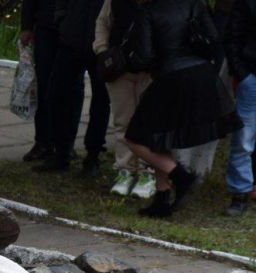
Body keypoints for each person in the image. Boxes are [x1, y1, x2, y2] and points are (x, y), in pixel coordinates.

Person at [123, 0, 240, 218]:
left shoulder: (147, 10)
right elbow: (214, 39)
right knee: (159, 135)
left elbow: (144, 56)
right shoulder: (193, 4)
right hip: (202, 74)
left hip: (170, 76)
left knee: (135, 138)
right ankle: (161, 196)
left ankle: (181, 177)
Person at [32, 0, 111, 175]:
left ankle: (93, 155)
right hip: (71, 39)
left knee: (101, 101)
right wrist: (63, 22)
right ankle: (61, 152)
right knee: (58, 95)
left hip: (101, 44)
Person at [93, 0, 156, 198]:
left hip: (152, 70)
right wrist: (102, 50)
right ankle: (124, 169)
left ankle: (148, 172)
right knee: (122, 121)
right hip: (120, 69)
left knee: (149, 122)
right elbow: (102, 22)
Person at [224, 0, 256, 216]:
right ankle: (240, 193)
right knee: (243, 138)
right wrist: (241, 74)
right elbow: (233, 36)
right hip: (251, 75)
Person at [19, 0, 58, 163]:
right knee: (43, 87)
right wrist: (27, 26)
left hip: (72, 27)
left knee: (69, 89)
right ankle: (43, 142)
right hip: (46, 25)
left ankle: (63, 143)